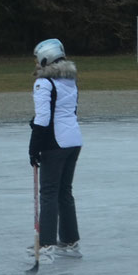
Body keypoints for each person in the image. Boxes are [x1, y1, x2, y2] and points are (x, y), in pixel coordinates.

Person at [28, 38, 83, 261]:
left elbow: (43, 120)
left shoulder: (43, 84)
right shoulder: (70, 81)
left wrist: (33, 148)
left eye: (36, 59)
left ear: (45, 58)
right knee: (64, 192)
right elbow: (67, 110)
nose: (35, 63)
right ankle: (70, 239)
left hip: (55, 143)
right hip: (73, 141)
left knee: (49, 192)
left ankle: (47, 243)